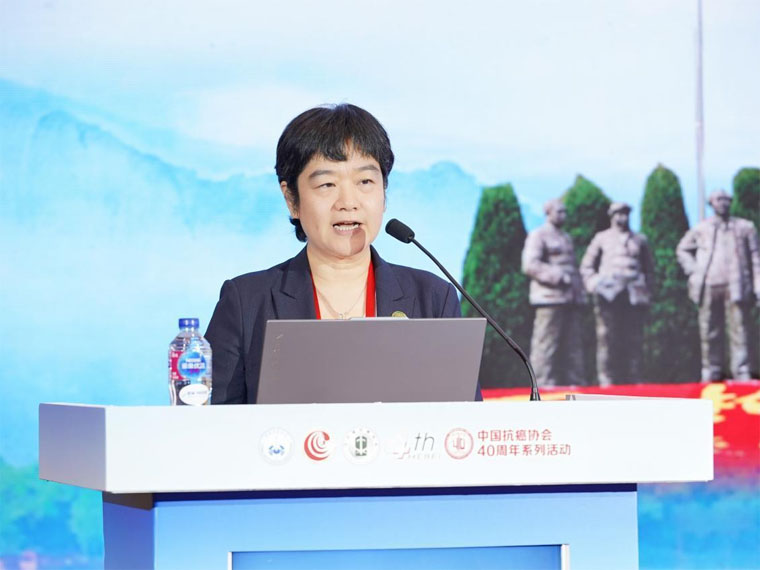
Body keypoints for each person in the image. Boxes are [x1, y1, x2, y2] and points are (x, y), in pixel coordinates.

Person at [205, 104, 462, 404]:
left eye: (365, 182)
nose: (348, 202)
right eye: (327, 184)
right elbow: (211, 422)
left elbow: (462, 418)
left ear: (383, 193)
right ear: (291, 199)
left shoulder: (433, 298)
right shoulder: (246, 301)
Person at [676, 189, 760, 381]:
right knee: (709, 330)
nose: (722, 203)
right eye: (718, 200)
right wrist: (694, 270)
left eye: (726, 199)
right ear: (711, 203)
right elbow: (682, 249)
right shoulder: (701, 228)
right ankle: (711, 370)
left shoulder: (745, 227)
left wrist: (757, 284)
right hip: (710, 284)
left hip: (736, 284)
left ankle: (742, 371)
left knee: (739, 329)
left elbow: (756, 258)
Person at [580, 202, 654, 386]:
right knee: (607, 338)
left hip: (633, 296)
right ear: (611, 216)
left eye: (625, 214)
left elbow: (649, 269)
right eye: (618, 214)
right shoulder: (601, 238)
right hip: (608, 296)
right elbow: (587, 266)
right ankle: (607, 380)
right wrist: (594, 284)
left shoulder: (639, 240)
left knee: (634, 339)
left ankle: (635, 379)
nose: (622, 218)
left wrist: (646, 290)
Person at [522, 199, 587, 386]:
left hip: (570, 298)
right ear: (548, 213)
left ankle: (576, 383)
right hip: (549, 298)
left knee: (573, 345)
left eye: (565, 212)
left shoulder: (566, 237)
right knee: (546, 344)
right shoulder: (538, 235)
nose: (563, 216)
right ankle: (542, 383)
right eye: (559, 212)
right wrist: (557, 276)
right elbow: (530, 264)